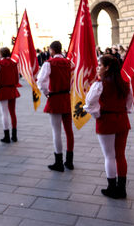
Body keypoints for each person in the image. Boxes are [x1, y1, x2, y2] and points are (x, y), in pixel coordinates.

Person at [84, 55, 132, 199]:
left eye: (100, 65)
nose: (98, 68)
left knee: (109, 156)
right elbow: (130, 102)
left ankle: (112, 188)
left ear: (107, 67)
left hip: (106, 120)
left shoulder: (100, 84)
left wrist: (97, 114)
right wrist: (123, 110)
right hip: (122, 119)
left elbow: (88, 103)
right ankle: (121, 189)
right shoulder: (124, 83)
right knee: (121, 155)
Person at [37, 41, 74, 172]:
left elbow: (40, 81)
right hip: (66, 97)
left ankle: (58, 162)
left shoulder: (48, 63)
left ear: (52, 50)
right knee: (69, 130)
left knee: (56, 131)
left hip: (55, 97)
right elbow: (74, 79)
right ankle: (69, 161)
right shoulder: (70, 63)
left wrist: (47, 93)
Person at [0, 47, 20, 143]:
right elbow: (17, 77)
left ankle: (6, 136)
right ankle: (14, 136)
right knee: (13, 113)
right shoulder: (14, 63)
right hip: (12, 89)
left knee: (4, 113)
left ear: (1, 54)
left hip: (3, 89)